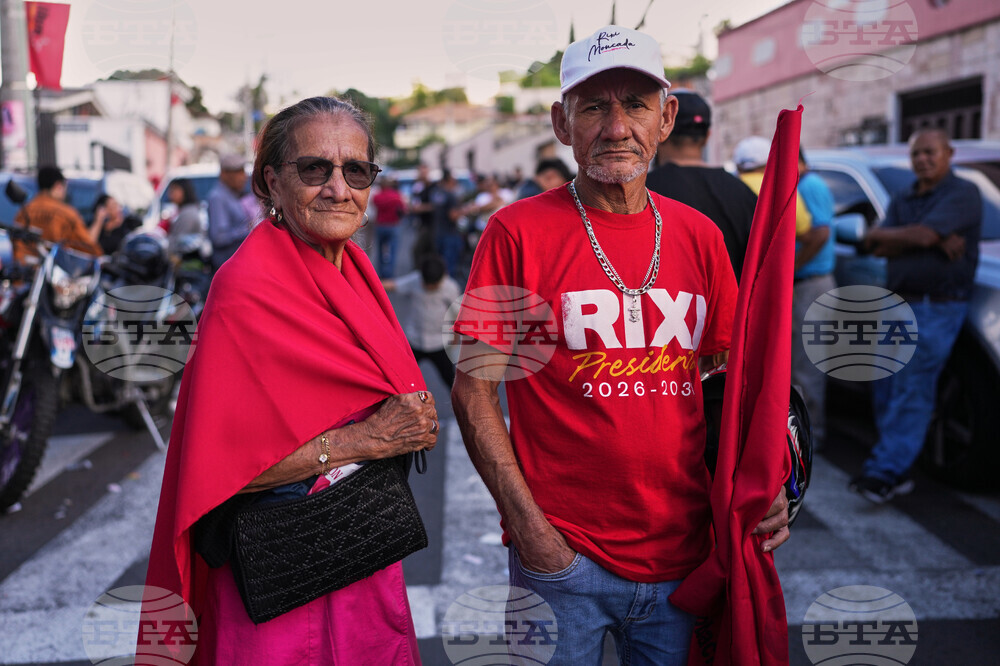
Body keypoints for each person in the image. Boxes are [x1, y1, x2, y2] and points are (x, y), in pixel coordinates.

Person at [451, 25, 789, 665]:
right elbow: (474, 392)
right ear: (562, 122)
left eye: (635, 104)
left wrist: (769, 480)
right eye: (594, 106)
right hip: (562, 561)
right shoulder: (514, 232)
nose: (615, 127)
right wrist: (532, 534)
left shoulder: (699, 237)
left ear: (665, 119)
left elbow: (730, 385)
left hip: (684, 559)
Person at [143, 96, 438, 665]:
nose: (337, 187)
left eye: (355, 170)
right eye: (314, 169)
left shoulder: (354, 269)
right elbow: (212, 469)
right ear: (272, 183)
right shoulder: (247, 287)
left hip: (361, 549)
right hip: (285, 575)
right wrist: (364, 440)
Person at [850, 128, 981, 503]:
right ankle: (897, 465)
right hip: (898, 303)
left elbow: (900, 238)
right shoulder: (905, 196)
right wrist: (931, 237)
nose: (923, 159)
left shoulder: (963, 193)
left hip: (936, 306)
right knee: (886, 386)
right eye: (917, 154)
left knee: (912, 390)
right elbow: (874, 244)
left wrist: (915, 236)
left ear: (949, 152)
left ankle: (883, 473)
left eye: (930, 152)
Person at [645, 89, 757, 281]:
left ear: (661, 131)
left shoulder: (640, 192)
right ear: (707, 136)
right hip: (730, 309)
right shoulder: (742, 192)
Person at [792, 148, 837, 450]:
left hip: (811, 284)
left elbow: (820, 234)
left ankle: (813, 434)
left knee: (808, 364)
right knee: (798, 361)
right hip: (803, 285)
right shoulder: (800, 186)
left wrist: (791, 268)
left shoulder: (810, 185)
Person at [383, 254, 461, 387]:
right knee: (399, 380)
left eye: (433, 286)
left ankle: (459, 405)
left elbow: (456, 314)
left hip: (439, 343)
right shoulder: (415, 280)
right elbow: (392, 285)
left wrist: (456, 337)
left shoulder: (451, 288)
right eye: (426, 285)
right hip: (415, 340)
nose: (429, 288)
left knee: (451, 381)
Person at [14, 165, 102, 262]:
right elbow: (88, 245)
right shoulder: (66, 213)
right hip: (54, 272)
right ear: (58, 186)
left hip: (24, 271)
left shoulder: (23, 212)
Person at [735, 135, 813, 240]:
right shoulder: (782, 189)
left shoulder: (726, 187)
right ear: (771, 162)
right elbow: (804, 233)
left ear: (738, 166)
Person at [207, 153, 252, 270]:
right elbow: (219, 237)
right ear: (224, 174)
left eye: (243, 172)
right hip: (227, 267)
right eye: (238, 172)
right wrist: (249, 229)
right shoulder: (218, 197)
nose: (244, 177)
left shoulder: (232, 195)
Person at [371, 176, 406, 276]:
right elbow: (403, 209)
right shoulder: (396, 196)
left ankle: (380, 272)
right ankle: (389, 273)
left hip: (380, 225)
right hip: (393, 225)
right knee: (392, 251)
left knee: (380, 250)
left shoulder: (377, 197)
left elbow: (374, 206)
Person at [165, 178, 205, 256]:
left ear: (185, 191)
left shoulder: (188, 213)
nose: (170, 193)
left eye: (174, 189)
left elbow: (179, 242)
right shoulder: (184, 210)